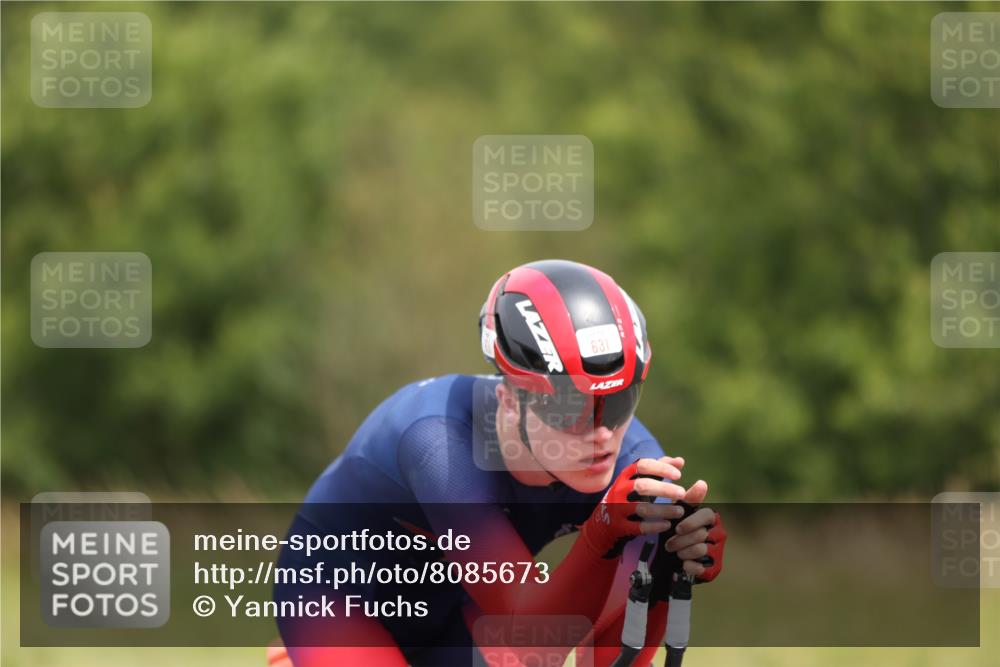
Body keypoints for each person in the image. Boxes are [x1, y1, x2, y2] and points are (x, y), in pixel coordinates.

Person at [272, 259, 727, 666]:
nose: (602, 433)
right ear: (510, 399)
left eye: (620, 401)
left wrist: (664, 575)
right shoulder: (438, 442)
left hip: (464, 605)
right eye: (568, 407)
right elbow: (531, 630)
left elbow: (602, 652)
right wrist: (602, 532)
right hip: (339, 602)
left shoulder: (635, 458)